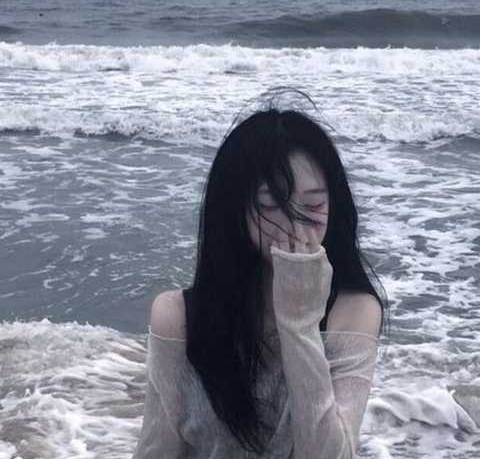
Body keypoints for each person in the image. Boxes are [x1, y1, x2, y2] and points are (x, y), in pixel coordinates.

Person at [132, 87, 389, 458]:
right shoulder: (179, 315)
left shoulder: (354, 311)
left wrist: (300, 323)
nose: (295, 225)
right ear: (234, 211)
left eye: (313, 205)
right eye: (270, 205)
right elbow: (157, 450)